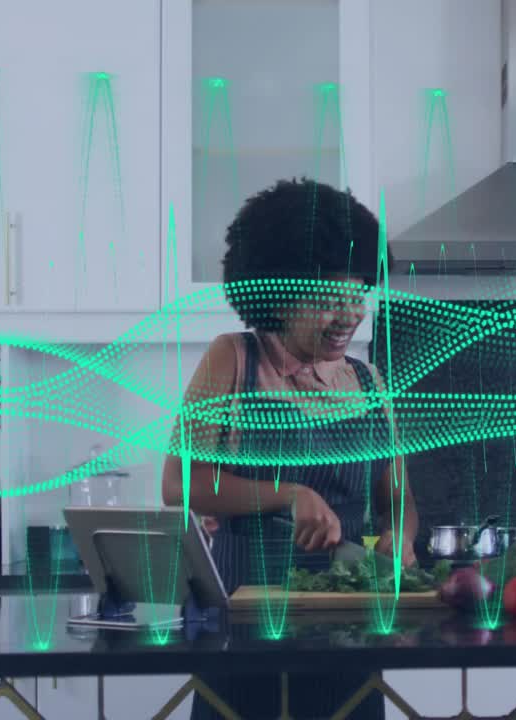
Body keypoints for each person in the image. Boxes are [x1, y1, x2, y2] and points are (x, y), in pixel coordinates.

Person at [161, 177, 418, 720]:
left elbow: (397, 496)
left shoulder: (370, 382)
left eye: (359, 295)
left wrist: (401, 538)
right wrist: (287, 494)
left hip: (348, 627)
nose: (349, 315)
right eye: (329, 299)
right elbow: (179, 482)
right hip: (245, 625)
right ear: (276, 294)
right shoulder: (234, 360)